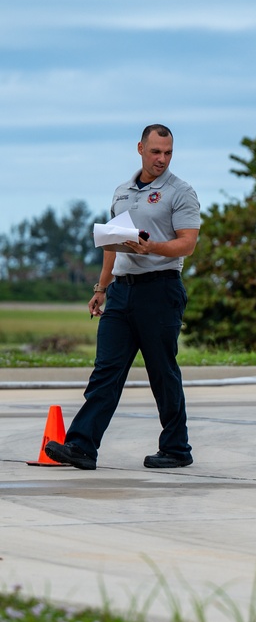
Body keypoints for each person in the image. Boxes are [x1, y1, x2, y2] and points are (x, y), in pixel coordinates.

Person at [44, 124, 201, 471]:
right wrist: (101, 288)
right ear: (140, 148)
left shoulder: (180, 192)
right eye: (156, 151)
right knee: (106, 372)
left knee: (162, 372)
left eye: (168, 152)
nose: (162, 159)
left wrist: (154, 247)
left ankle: (177, 448)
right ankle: (82, 446)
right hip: (120, 291)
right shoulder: (122, 191)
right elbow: (112, 244)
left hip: (160, 289)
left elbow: (187, 242)